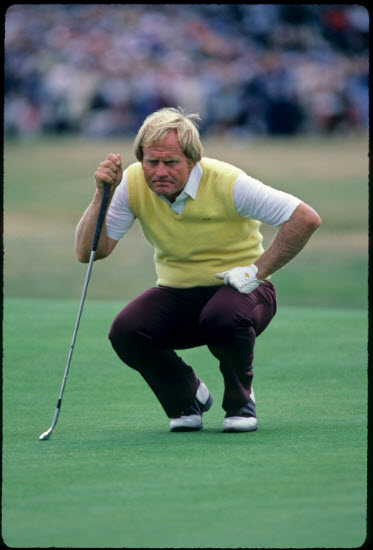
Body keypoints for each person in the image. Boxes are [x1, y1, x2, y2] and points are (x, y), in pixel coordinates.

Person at [75, 107, 321, 433]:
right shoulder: (133, 182)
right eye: (152, 162)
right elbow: (90, 251)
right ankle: (186, 398)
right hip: (178, 294)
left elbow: (305, 218)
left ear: (192, 160)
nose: (159, 171)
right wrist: (100, 194)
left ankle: (240, 401)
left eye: (171, 162)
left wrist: (255, 272)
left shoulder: (227, 182)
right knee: (127, 330)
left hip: (246, 292)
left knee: (223, 314)